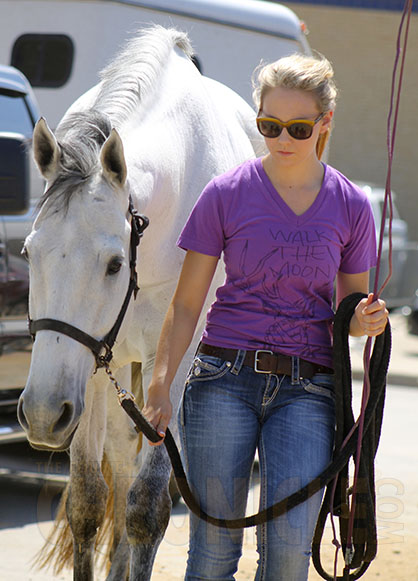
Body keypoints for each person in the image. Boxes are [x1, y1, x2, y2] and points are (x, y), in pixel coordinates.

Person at [143, 53, 389, 581]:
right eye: (269, 125)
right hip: (221, 381)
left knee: (287, 555)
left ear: (325, 124)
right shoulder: (225, 194)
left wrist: (364, 321)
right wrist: (161, 382)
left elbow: (349, 309)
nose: (282, 139)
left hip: (310, 389)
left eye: (298, 128)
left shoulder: (351, 205)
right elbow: (186, 303)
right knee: (212, 552)